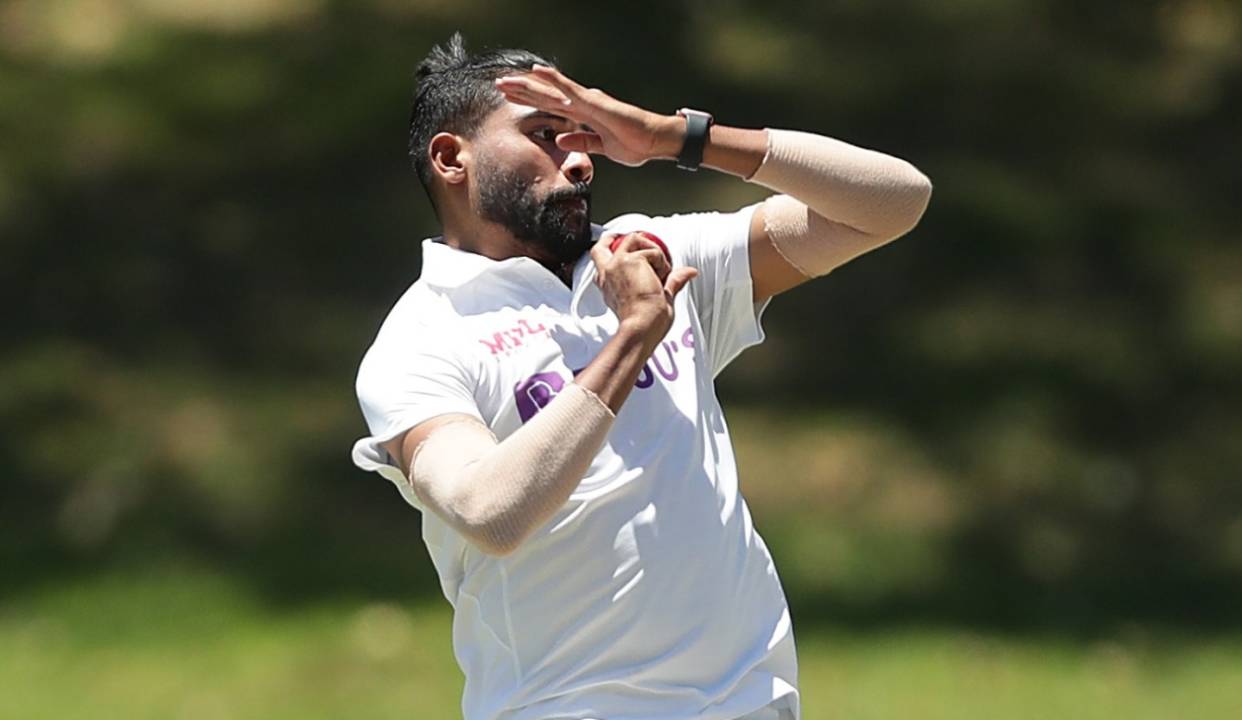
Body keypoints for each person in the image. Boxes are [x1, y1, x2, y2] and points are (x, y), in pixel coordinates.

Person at [351, 33, 931, 720]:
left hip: (747, 703)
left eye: (582, 137)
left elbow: (894, 201)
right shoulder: (421, 339)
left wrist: (676, 138)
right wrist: (631, 340)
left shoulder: (649, 254)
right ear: (452, 158)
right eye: (544, 136)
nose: (578, 161)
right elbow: (491, 513)